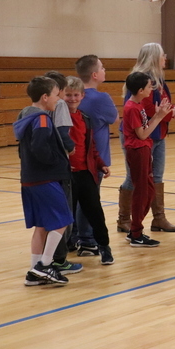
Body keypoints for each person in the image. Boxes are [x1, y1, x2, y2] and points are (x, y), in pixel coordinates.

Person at [117, 43, 175, 233]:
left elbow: (161, 107)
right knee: (134, 176)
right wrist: (171, 113)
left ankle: (159, 218)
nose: (166, 59)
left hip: (158, 133)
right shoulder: (142, 81)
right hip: (140, 136)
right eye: (163, 56)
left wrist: (173, 110)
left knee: (157, 175)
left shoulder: (158, 80)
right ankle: (124, 219)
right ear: (155, 57)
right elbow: (147, 111)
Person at [13, 76, 73, 286]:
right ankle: (45, 265)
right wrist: (56, 162)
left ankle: (33, 271)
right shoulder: (42, 119)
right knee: (63, 220)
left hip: (29, 179)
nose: (60, 99)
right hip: (44, 178)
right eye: (57, 95)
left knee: (42, 226)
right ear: (45, 97)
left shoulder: (25, 116)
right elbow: (40, 148)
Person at [62, 76, 114, 264]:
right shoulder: (57, 118)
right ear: (61, 95)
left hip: (85, 173)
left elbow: (90, 147)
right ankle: (62, 251)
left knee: (95, 212)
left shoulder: (85, 118)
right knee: (66, 215)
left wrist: (100, 163)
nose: (72, 99)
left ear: (82, 96)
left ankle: (104, 247)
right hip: (66, 176)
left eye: (76, 95)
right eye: (68, 95)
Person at [72, 54, 118, 255]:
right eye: (102, 67)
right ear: (94, 74)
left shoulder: (71, 95)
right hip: (92, 157)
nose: (104, 70)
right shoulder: (101, 98)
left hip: (74, 158)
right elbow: (114, 118)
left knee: (74, 199)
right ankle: (88, 240)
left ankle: (72, 238)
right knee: (89, 201)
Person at [122, 71, 172, 247]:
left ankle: (135, 229)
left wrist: (158, 114)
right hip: (137, 151)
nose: (152, 88)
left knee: (149, 191)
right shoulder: (132, 108)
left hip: (143, 150)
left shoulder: (139, 104)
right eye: (149, 86)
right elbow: (142, 134)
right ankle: (136, 233)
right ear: (141, 89)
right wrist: (159, 117)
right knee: (142, 192)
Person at [42, 71, 82, 276]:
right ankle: (59, 259)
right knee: (63, 215)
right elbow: (64, 134)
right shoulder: (60, 106)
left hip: (40, 170)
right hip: (58, 167)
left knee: (45, 218)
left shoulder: (31, 110)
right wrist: (70, 148)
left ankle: (42, 259)